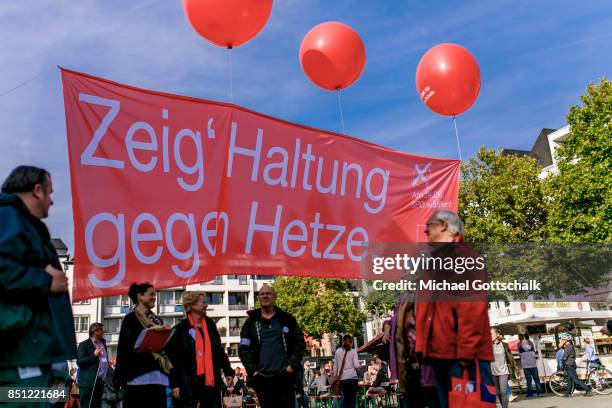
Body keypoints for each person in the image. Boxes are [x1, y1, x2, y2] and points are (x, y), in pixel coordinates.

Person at [0, 166, 77, 398]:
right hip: (19, 355)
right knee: (21, 402)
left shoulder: (21, 221)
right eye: (50, 193)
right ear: (36, 191)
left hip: (30, 353)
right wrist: (46, 281)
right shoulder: (8, 215)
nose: (52, 202)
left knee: (37, 401)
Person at [415, 210, 494, 408]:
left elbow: (472, 309)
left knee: (475, 403)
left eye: (429, 225)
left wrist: (466, 350)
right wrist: (421, 347)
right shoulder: (434, 262)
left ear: (443, 226)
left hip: (463, 355)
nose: (425, 231)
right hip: (440, 354)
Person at [238, 284, 306, 408]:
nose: (265, 296)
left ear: (275, 297)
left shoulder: (286, 319)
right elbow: (243, 349)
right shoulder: (251, 323)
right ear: (258, 297)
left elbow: (300, 343)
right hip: (262, 379)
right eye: (262, 294)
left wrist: (291, 366)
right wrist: (253, 371)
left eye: (268, 293)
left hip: (285, 378)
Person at [163, 291, 234, 407]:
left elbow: (219, 351)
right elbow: (172, 359)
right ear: (191, 306)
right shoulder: (181, 329)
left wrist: (228, 371)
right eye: (203, 302)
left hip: (210, 382)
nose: (206, 305)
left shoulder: (210, 325)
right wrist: (174, 383)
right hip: (187, 384)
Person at [115, 283, 172, 407]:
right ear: (140, 296)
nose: (154, 298)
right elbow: (123, 349)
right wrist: (118, 379)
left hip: (158, 380)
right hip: (137, 380)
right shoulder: (130, 319)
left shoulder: (158, 321)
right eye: (151, 294)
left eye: (155, 295)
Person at [77, 323, 109, 408]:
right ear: (94, 331)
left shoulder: (103, 344)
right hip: (88, 383)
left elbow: (104, 361)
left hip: (100, 382)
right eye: (101, 329)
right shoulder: (84, 345)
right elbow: (80, 362)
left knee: (97, 405)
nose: (103, 331)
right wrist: (94, 355)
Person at [490, 328, 517, 408]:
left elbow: (510, 358)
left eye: (492, 334)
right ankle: (503, 405)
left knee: (503, 392)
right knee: (498, 393)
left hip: (503, 371)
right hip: (493, 372)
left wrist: (515, 370)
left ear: (497, 334)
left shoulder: (504, 345)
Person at [333, 334, 361, 408]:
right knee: (352, 400)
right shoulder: (353, 351)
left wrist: (336, 377)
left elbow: (335, 367)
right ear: (351, 342)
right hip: (352, 378)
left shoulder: (338, 351)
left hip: (342, 379)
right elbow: (356, 365)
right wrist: (360, 366)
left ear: (343, 341)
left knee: (344, 399)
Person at [560, 332, 591, 397]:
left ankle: (588, 390)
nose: (562, 340)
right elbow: (561, 347)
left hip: (570, 365)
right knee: (569, 379)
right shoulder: (569, 346)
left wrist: (561, 360)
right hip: (570, 364)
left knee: (576, 379)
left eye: (562, 339)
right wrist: (562, 344)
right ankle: (568, 393)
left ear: (566, 340)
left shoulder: (568, 347)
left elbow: (564, 357)